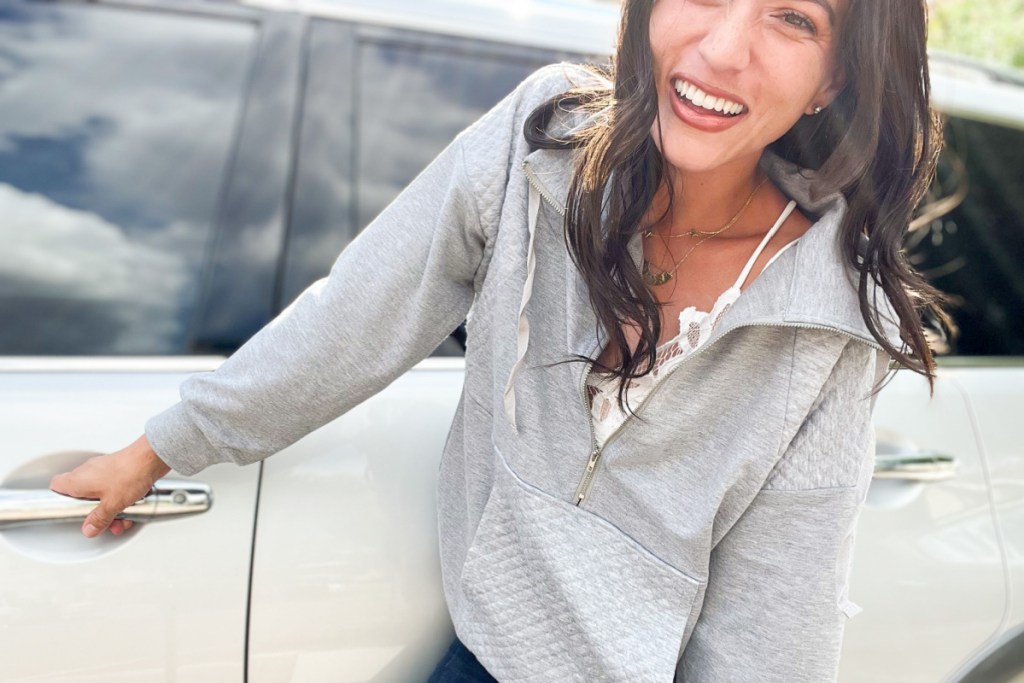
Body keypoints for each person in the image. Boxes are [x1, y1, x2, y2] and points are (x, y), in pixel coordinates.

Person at [50, 0, 955, 680]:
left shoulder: (832, 321)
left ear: (834, 77)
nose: (723, 47)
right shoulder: (544, 146)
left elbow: (775, 630)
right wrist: (167, 442)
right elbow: (363, 307)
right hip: (478, 658)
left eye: (793, 18)